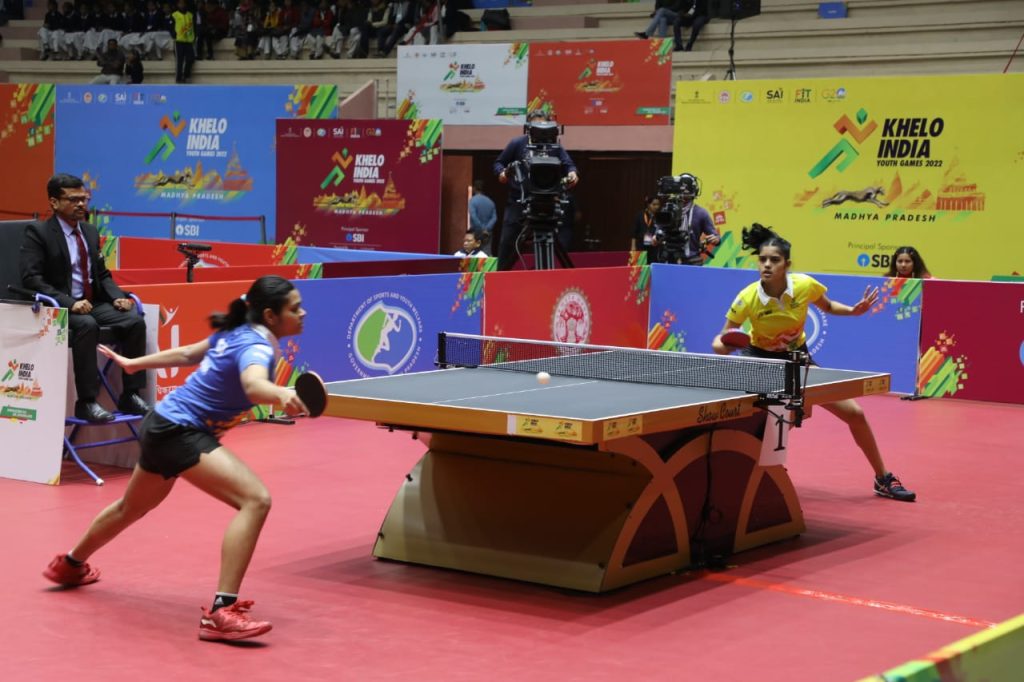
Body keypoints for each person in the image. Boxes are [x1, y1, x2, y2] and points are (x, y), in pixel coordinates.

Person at [42, 275, 308, 642]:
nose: (302, 313)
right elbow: (253, 384)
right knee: (255, 500)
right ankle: (221, 613)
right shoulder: (257, 346)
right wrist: (280, 393)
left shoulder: (237, 331)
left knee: (130, 508)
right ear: (270, 315)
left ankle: (70, 564)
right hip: (181, 431)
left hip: (162, 424)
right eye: (295, 308)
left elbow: (186, 354)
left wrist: (135, 363)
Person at [711, 224, 916, 502]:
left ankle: (883, 478)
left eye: (774, 260)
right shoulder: (747, 297)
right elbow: (722, 337)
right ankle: (750, 481)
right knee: (775, 425)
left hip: (799, 360)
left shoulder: (804, 286)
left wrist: (854, 311)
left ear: (787, 264)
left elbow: (828, 306)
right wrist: (722, 345)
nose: (767, 265)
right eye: (763, 259)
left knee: (854, 414)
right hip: (762, 362)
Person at [20, 174, 151, 423]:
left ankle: (131, 394)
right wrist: (70, 303)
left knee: (134, 321)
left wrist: (116, 297)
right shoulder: (38, 233)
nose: (81, 204)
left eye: (84, 199)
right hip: (56, 308)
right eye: (73, 199)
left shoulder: (89, 231)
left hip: (92, 303)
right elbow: (32, 279)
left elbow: (102, 274)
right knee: (87, 325)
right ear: (54, 202)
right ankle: (87, 402)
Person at [492, 110, 579, 271]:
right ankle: (500, 276)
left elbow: (569, 165)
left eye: (543, 125)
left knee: (555, 242)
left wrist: (573, 173)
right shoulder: (517, 143)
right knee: (507, 242)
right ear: (529, 127)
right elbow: (499, 163)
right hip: (519, 202)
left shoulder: (555, 146)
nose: (540, 129)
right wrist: (502, 173)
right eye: (536, 125)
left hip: (547, 202)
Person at [658, 172, 718, 265]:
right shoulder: (667, 210)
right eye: (681, 190)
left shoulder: (701, 213)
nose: (683, 194)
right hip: (668, 260)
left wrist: (716, 239)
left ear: (694, 191)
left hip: (692, 260)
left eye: (687, 190)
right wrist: (655, 238)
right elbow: (657, 233)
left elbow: (715, 236)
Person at [630, 195, 661, 261]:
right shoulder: (640, 215)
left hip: (654, 247)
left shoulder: (659, 217)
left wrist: (658, 240)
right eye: (654, 204)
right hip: (641, 246)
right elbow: (634, 233)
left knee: (652, 265)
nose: (656, 207)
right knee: (641, 265)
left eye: (658, 204)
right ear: (648, 204)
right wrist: (633, 246)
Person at [171, 0, 195, 82]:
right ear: (177, 4)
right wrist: (174, 34)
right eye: (180, 3)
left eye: (183, 3)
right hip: (179, 41)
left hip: (189, 41)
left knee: (191, 58)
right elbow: (171, 26)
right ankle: (178, 79)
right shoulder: (174, 15)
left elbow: (193, 26)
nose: (182, 5)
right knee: (179, 61)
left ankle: (186, 75)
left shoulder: (190, 15)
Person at [468, 179, 496, 246]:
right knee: (487, 251)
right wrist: (487, 228)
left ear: (474, 188)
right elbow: (494, 218)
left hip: (476, 231)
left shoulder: (473, 201)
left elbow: (473, 216)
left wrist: (481, 229)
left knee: (475, 250)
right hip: (487, 232)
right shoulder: (490, 201)